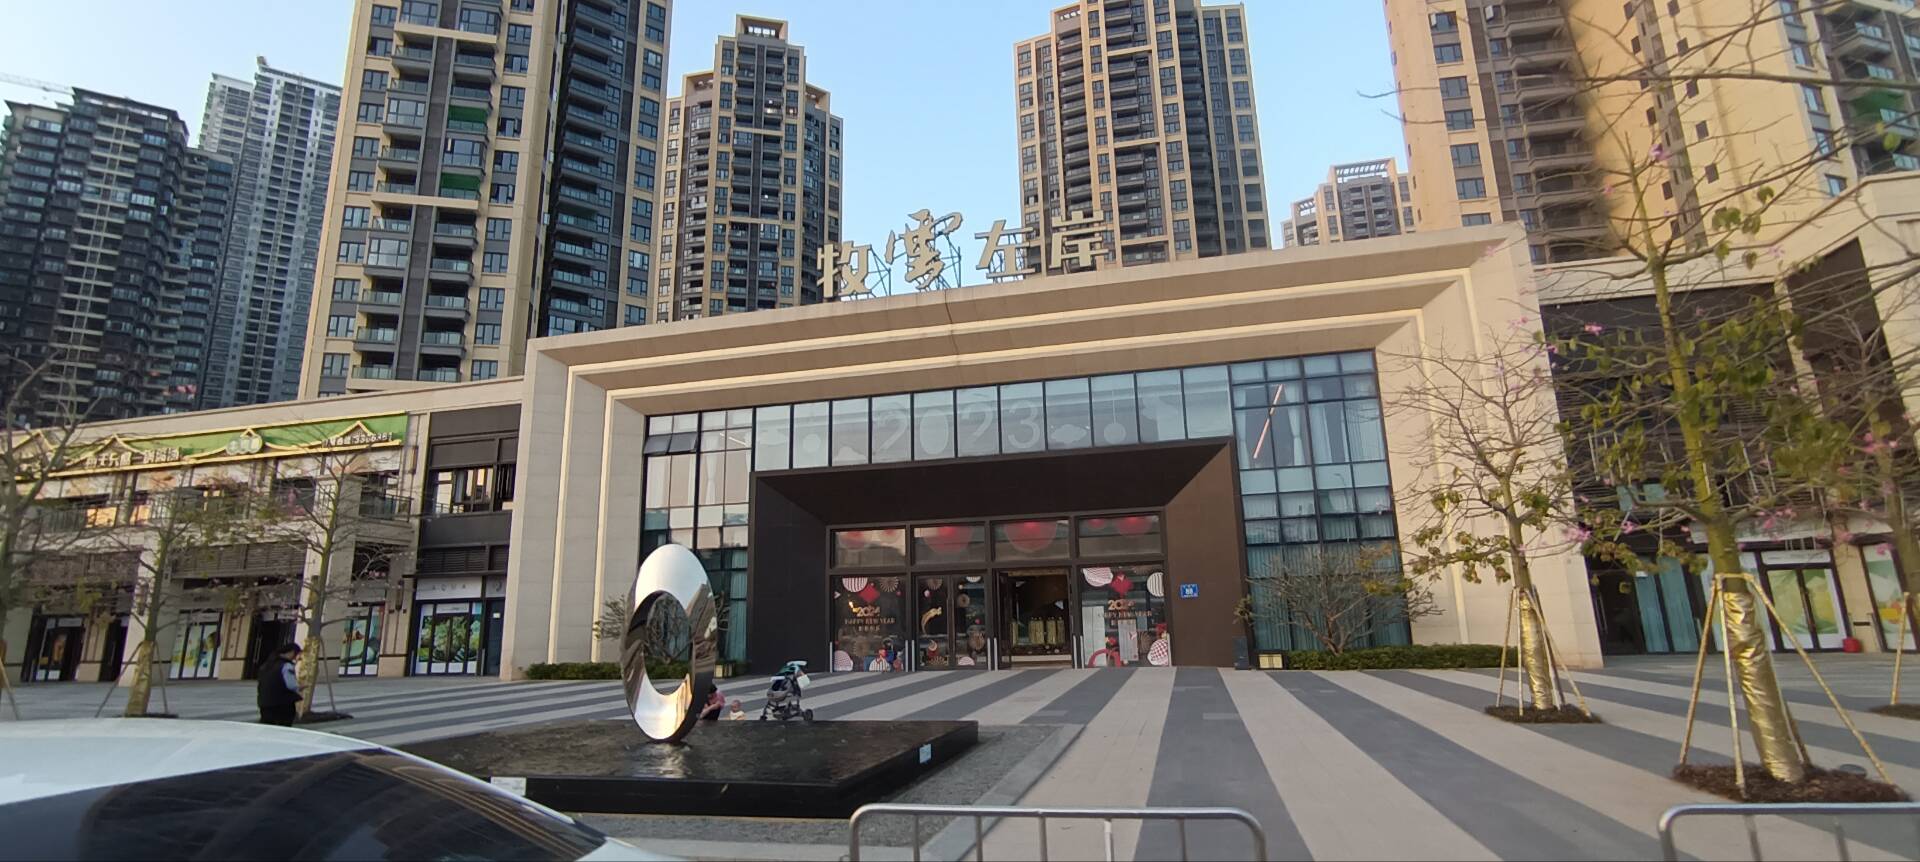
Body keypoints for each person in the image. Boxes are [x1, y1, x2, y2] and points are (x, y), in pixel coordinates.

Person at [256, 643, 303, 727]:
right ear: (292, 652)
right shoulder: (287, 666)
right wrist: (300, 687)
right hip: (282, 703)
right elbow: (291, 685)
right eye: (296, 654)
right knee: (283, 728)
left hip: (264, 703)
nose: (296, 658)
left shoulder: (266, 665)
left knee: (267, 728)